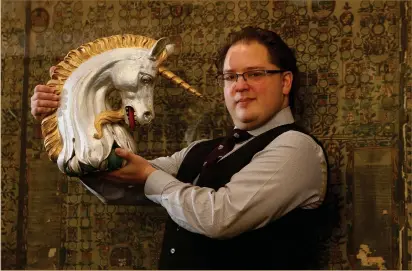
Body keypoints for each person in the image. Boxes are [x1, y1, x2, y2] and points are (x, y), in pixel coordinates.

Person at [31, 26, 334, 269]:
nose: (240, 85)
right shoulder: (200, 150)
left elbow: (220, 217)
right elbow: (120, 185)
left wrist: (150, 176)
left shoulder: (297, 149)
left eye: (254, 74)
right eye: (231, 77)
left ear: (285, 82)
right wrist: (68, 114)